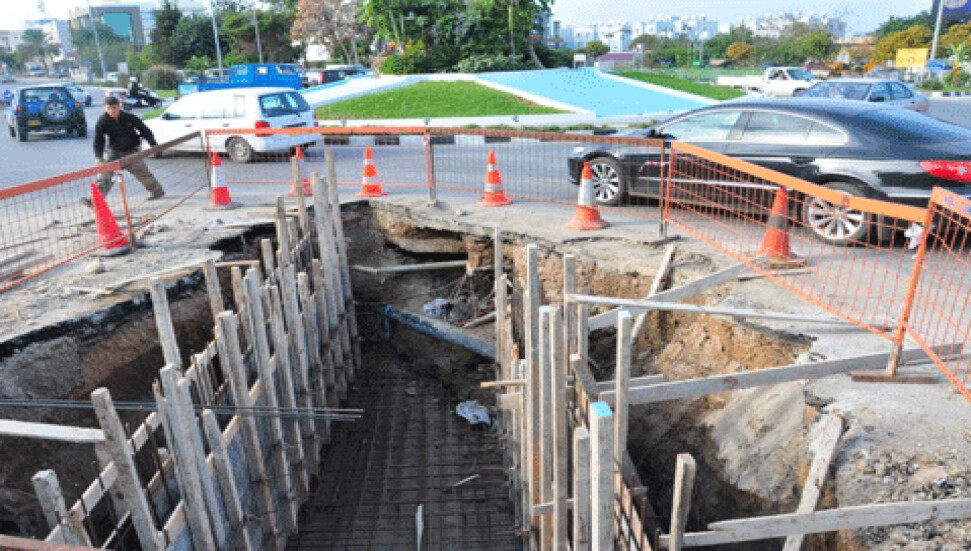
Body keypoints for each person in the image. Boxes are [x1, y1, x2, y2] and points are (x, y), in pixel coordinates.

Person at [87, 96, 164, 204]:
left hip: (131, 150)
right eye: (108, 108)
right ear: (105, 108)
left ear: (119, 107)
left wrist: (153, 145)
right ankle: (94, 200)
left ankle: (157, 191)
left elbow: (144, 130)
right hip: (114, 152)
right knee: (105, 175)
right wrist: (98, 157)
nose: (111, 111)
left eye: (114, 108)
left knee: (142, 173)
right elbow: (99, 140)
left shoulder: (129, 117)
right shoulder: (102, 121)